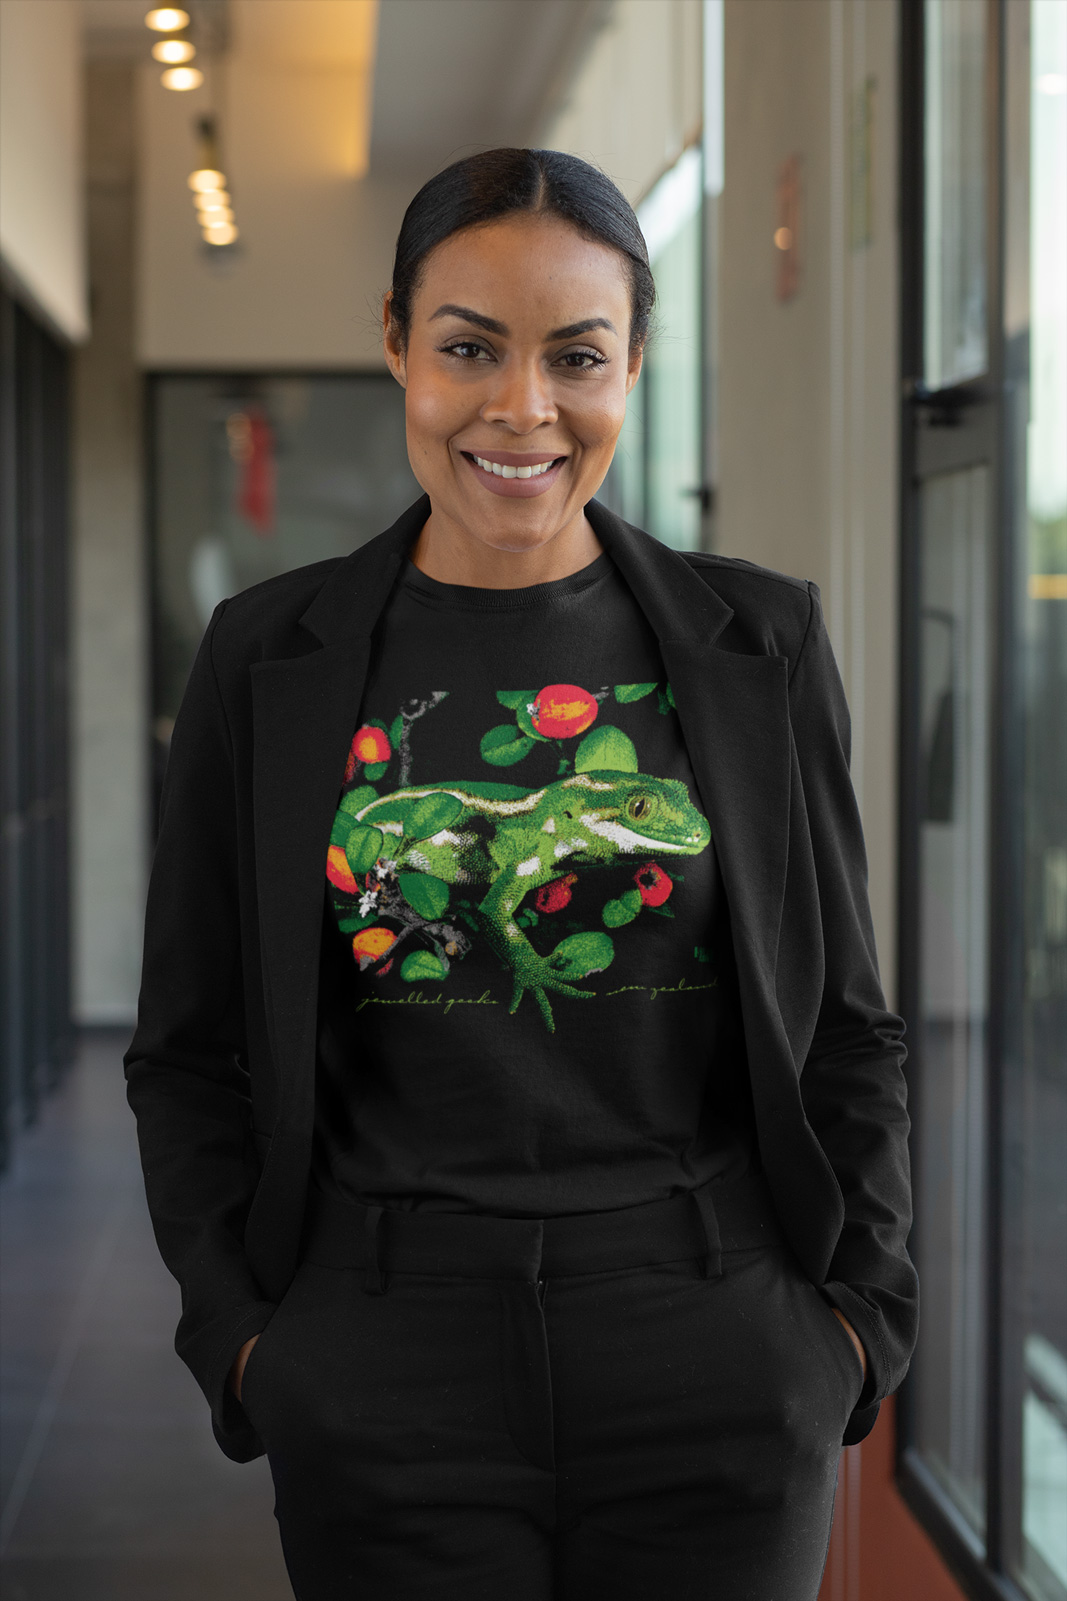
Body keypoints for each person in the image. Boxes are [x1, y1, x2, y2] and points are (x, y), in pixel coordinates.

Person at [125, 148, 918, 1601]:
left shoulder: (763, 644)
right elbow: (187, 1049)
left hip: (715, 1338)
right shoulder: (268, 656)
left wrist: (860, 1320)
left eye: (577, 356)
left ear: (634, 366)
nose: (522, 408)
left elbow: (847, 1021)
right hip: (382, 1354)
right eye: (469, 349)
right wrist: (245, 1339)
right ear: (395, 345)